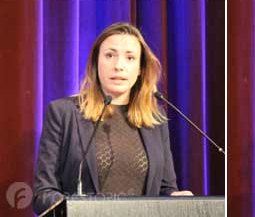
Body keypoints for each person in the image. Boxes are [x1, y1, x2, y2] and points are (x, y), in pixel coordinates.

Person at [32, 22, 192, 215]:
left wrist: (176, 199)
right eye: (109, 55)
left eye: (130, 58)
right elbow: (43, 193)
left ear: (140, 69)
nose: (119, 66)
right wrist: (76, 210)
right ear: (95, 63)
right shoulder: (64, 113)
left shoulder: (155, 119)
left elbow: (165, 188)